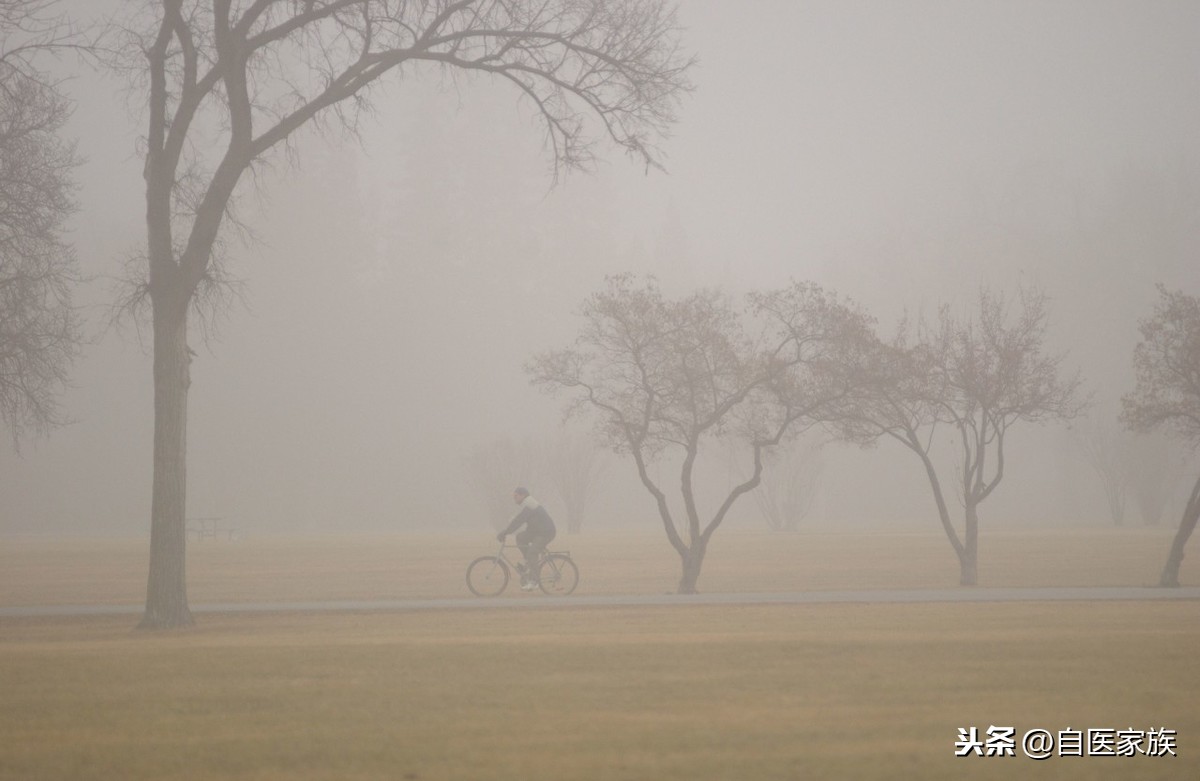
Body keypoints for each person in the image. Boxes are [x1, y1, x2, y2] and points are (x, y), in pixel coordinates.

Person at [497, 486, 557, 591]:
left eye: (516, 496)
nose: (514, 499)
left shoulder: (530, 504)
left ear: (522, 495)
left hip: (546, 533)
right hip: (537, 531)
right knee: (520, 537)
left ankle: (535, 581)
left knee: (532, 553)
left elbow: (519, 520)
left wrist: (505, 532)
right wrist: (507, 531)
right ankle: (528, 562)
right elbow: (519, 520)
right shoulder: (527, 503)